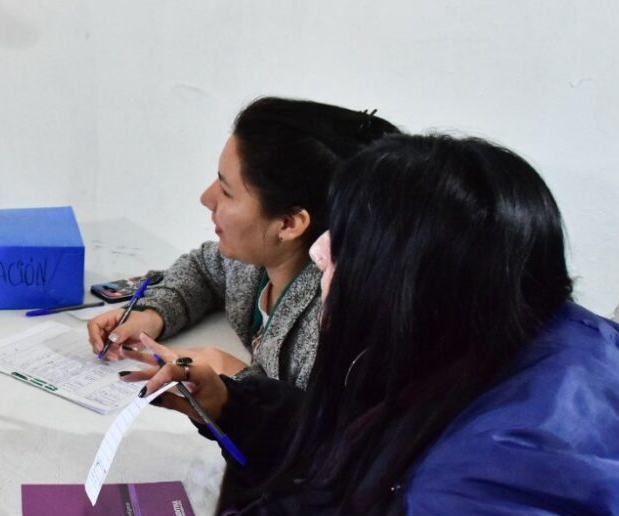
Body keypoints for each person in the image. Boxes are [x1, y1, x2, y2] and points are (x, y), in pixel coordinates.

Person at [127, 134, 619, 516]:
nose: (322, 255)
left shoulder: (474, 494)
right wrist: (231, 406)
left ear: (406, 285)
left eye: (347, 244)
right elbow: (370, 452)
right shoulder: (522, 337)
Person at [88, 97, 399, 389]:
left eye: (227, 191)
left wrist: (233, 374)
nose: (206, 198)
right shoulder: (255, 261)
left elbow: (315, 426)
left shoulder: (335, 328)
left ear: (289, 224)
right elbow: (204, 270)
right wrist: (152, 316)